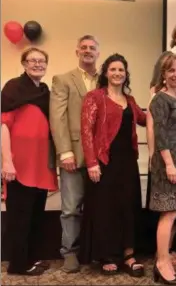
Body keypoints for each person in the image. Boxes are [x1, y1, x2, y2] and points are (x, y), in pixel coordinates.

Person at [80, 54, 146, 276]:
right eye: (113, 69)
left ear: (126, 74)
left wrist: (166, 101)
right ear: (106, 73)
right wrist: (91, 163)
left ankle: (128, 254)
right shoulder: (95, 97)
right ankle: (107, 255)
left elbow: (146, 120)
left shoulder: (131, 100)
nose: (117, 73)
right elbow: (86, 131)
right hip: (104, 162)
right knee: (106, 210)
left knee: (128, 206)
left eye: (121, 70)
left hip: (128, 162)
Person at [1, 47, 58, 275]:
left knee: (35, 215)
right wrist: (6, 161)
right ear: (24, 64)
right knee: (19, 217)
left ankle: (30, 259)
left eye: (42, 61)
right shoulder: (13, 87)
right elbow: (3, 125)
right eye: (32, 60)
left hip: (41, 163)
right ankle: (18, 265)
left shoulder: (45, 91)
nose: (38, 64)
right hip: (19, 163)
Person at [50, 35, 100, 273]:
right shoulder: (62, 80)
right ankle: (69, 252)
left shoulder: (106, 79)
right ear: (77, 52)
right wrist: (65, 151)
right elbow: (57, 117)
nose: (88, 51)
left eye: (92, 48)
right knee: (70, 208)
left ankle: (95, 251)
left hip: (101, 157)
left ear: (98, 53)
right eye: (84, 48)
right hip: (74, 154)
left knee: (99, 206)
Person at [148, 53, 176, 285]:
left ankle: (163, 260)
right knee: (168, 213)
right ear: (163, 74)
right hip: (167, 165)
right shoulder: (160, 99)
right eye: (171, 71)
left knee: (172, 213)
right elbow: (160, 134)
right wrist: (170, 164)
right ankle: (162, 262)